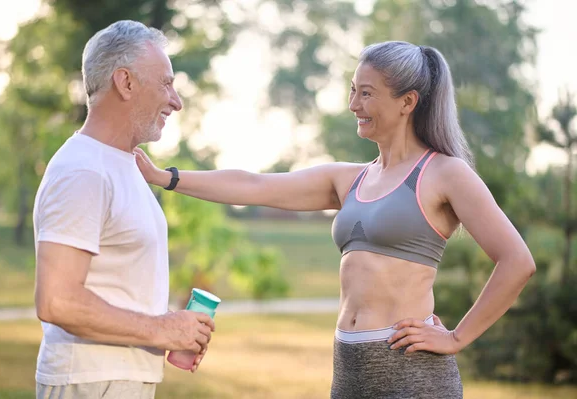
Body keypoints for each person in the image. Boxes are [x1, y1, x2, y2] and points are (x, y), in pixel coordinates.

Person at [135, 40, 536, 398]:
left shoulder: (445, 173)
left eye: (366, 93)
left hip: (410, 372)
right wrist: (165, 177)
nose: (353, 105)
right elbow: (255, 186)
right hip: (349, 368)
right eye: (352, 91)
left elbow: (517, 261)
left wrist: (456, 337)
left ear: (407, 102)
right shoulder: (349, 179)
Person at [33, 20, 215, 399]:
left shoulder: (124, 165)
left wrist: (175, 329)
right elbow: (57, 300)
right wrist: (161, 329)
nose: (176, 101)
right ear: (126, 83)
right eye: (166, 83)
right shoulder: (83, 169)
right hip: (90, 381)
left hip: (117, 379)